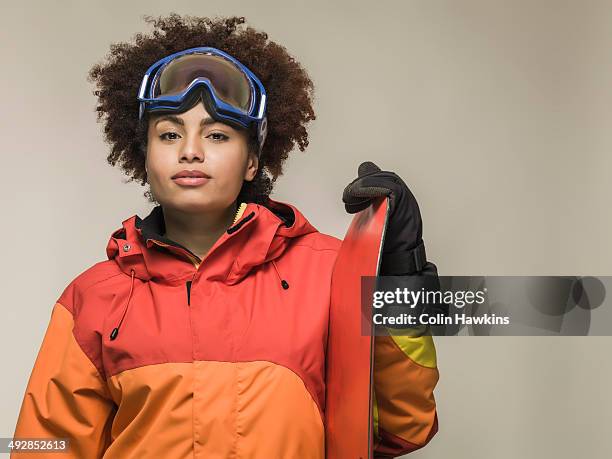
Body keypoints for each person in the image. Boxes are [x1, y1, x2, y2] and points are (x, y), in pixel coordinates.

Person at [12, 14, 440, 458]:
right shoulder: (90, 299)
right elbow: (41, 446)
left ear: (252, 161)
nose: (190, 150)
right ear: (144, 158)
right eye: (169, 133)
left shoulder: (330, 273)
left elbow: (404, 426)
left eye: (217, 134)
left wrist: (399, 285)